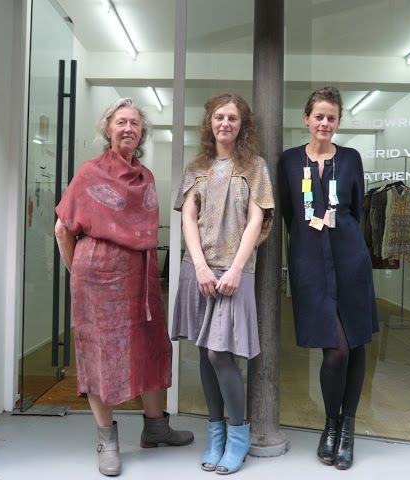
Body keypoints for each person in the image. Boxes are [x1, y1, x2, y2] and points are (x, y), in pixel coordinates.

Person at [54, 98, 193, 477]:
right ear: (108, 129)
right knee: (102, 356)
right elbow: (62, 229)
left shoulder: (145, 177)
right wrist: (79, 273)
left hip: (140, 280)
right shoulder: (90, 173)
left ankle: (156, 428)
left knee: (152, 347)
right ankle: (107, 441)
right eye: (121, 122)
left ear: (142, 132)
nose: (128, 128)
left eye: (134, 123)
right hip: (98, 280)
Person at [172, 93, 274, 475]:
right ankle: (215, 435)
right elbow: (188, 218)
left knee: (219, 353)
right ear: (210, 123)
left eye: (232, 118)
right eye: (219, 117)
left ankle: (238, 434)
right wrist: (200, 266)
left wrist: (235, 269)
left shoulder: (255, 166)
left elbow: (256, 220)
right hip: (198, 269)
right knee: (203, 351)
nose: (225, 123)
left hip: (235, 272)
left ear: (241, 124)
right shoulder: (196, 167)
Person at [278, 87, 379, 470]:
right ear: (306, 118)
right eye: (318, 116)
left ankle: (346, 429)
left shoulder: (350, 158)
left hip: (350, 261)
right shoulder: (289, 161)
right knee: (335, 350)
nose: (325, 123)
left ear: (338, 122)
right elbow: (290, 214)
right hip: (310, 266)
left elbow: (356, 210)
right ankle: (330, 425)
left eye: (331, 117)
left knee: (356, 344)